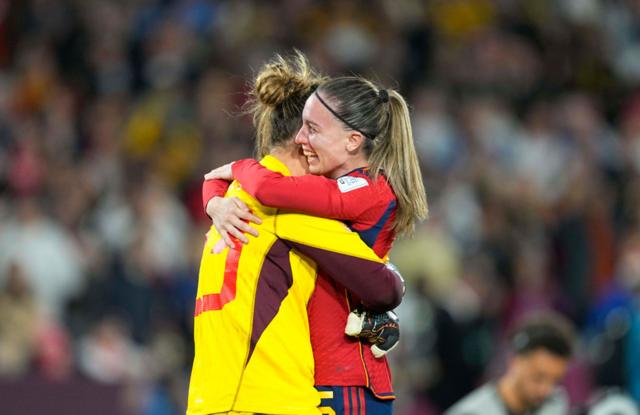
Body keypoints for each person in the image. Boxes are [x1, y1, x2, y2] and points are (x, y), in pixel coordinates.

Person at [187, 52, 404, 415]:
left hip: (211, 397)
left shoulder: (234, 200)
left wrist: (216, 198)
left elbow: (214, 180)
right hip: (270, 400)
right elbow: (385, 287)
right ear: (303, 146)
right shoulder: (290, 212)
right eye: (310, 131)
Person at [444, 311, 577, 415]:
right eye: (538, 377)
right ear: (514, 360)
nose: (546, 390)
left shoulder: (555, 402)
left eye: (555, 381)